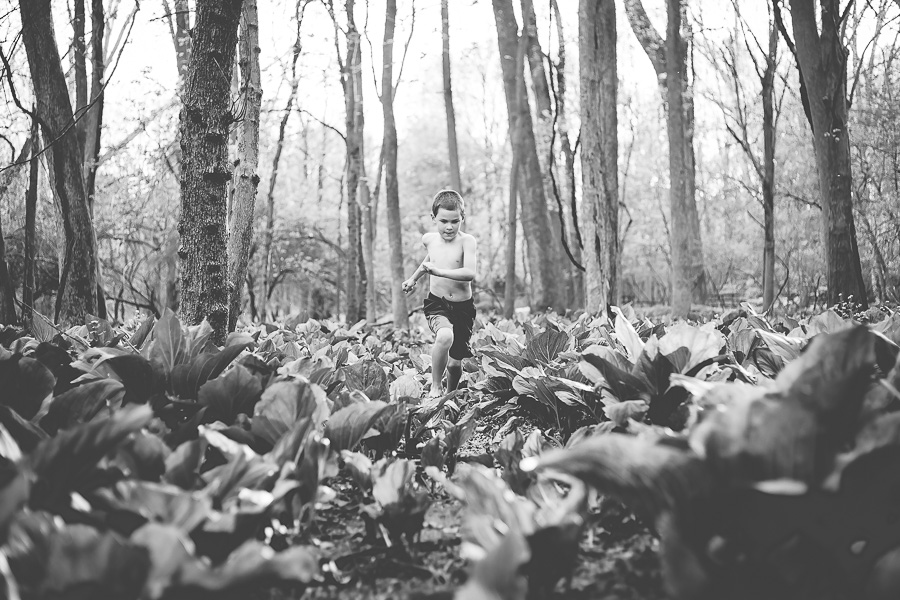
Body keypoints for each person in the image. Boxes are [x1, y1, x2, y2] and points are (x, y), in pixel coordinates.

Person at [402, 189, 478, 398]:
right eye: (444, 221)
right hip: (438, 303)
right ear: (433, 218)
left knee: (455, 364)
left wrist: (440, 271)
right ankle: (435, 386)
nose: (449, 227)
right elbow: (429, 259)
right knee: (444, 336)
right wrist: (413, 278)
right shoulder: (429, 239)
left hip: (463, 308)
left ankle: (449, 394)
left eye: (455, 221)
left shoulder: (467, 241)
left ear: (462, 217)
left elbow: (469, 273)